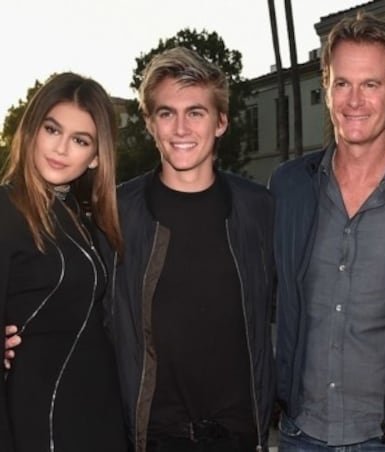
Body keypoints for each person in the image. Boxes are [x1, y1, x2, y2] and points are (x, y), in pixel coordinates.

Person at [270, 11, 385, 451]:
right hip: (299, 434)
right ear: (326, 90)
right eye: (342, 83)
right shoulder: (288, 187)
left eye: (371, 84)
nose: (354, 100)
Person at [104, 47, 275, 452]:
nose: (181, 128)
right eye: (167, 113)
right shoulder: (116, 213)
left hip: (239, 435)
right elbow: (83, 307)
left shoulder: (259, 209)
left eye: (196, 112)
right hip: (153, 435)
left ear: (221, 123)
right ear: (149, 123)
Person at [0, 72, 129, 451]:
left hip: (102, 415)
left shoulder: (83, 218)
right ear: (33, 128)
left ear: (96, 156)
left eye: (80, 140)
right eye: (52, 129)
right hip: (44, 418)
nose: (61, 148)